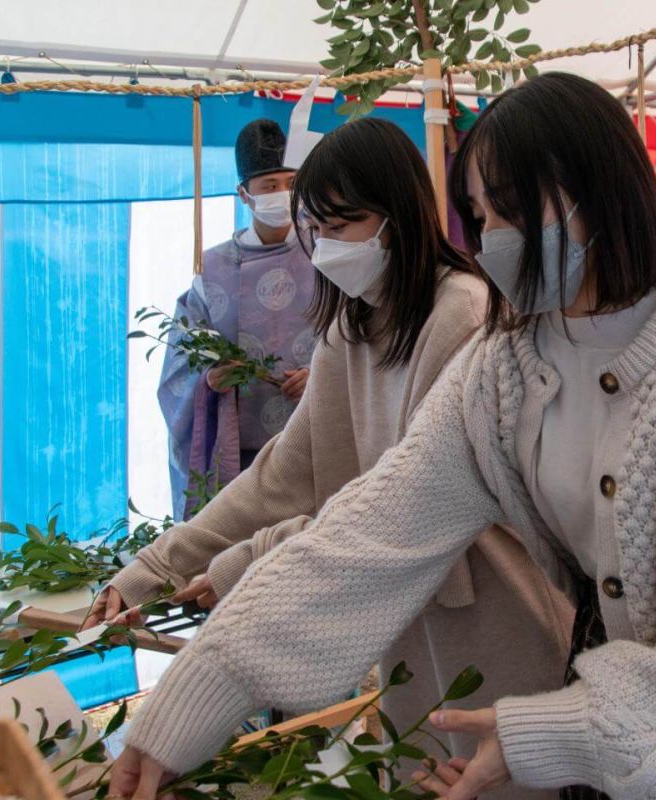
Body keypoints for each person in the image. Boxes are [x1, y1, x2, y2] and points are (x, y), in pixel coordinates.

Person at [108, 73, 656, 800]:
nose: (493, 239)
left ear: (601, 195)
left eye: (511, 209)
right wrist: (197, 697)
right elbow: (373, 529)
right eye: (481, 216)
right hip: (614, 757)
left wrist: (547, 729)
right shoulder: (505, 366)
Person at [89, 118, 573, 798]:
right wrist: (153, 568)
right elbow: (282, 477)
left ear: (399, 216)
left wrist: (247, 564)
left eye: (343, 225)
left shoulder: (460, 316)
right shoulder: (352, 322)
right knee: (420, 768)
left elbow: (394, 512)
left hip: (493, 612)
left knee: (501, 781)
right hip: (406, 617)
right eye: (314, 228)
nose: (323, 247)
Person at [158, 118, 316, 520]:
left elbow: (359, 337)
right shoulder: (212, 269)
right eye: (269, 186)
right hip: (241, 455)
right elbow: (180, 358)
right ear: (244, 195)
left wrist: (323, 375)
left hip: (317, 443)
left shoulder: (326, 252)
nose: (282, 194)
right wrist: (208, 378)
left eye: (290, 182)